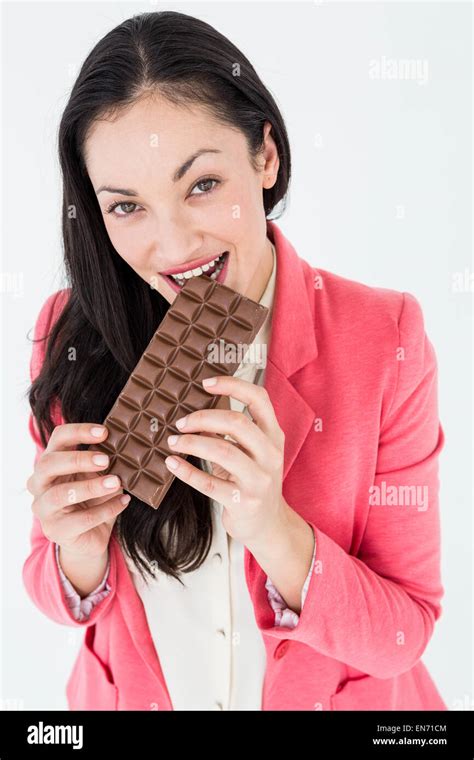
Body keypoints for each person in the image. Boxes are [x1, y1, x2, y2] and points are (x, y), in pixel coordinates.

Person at [24, 10, 446, 711]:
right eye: (127, 207)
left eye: (202, 185)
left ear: (266, 158)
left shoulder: (385, 338)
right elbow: (53, 588)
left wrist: (274, 529)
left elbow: (408, 631)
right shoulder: (72, 331)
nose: (172, 245)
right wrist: (78, 551)